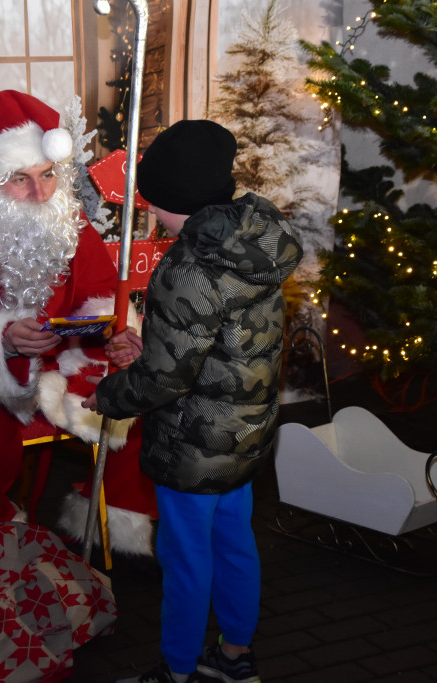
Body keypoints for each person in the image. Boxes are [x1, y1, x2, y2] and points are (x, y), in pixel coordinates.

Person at [84, 119, 303, 683]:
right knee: (235, 545)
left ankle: (176, 669)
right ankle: (235, 656)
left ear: (170, 196)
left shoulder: (187, 266)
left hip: (192, 443)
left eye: (153, 201)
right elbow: (219, 344)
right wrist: (151, 347)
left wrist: (108, 393)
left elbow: (167, 380)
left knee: (185, 560)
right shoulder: (252, 242)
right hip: (246, 433)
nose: (150, 211)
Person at [0, 89, 156, 553]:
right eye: (20, 179)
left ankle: (115, 522)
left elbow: (102, 296)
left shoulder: (67, 217)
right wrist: (2, 343)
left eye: (47, 175)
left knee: (138, 394)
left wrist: (120, 335)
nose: (40, 193)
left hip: (64, 361)